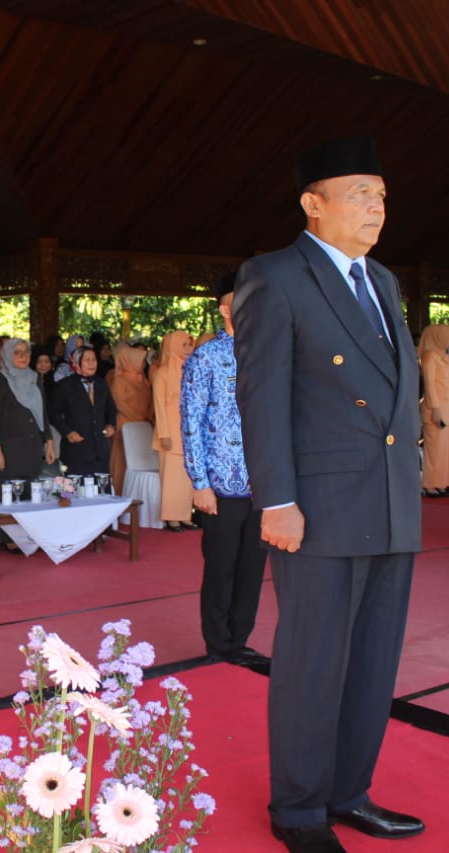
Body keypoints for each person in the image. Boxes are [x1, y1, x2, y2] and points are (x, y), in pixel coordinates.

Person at [233, 136, 424, 852]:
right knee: (313, 662)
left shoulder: (384, 281)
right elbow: (262, 397)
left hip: (388, 500)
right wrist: (276, 499)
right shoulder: (275, 276)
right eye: (360, 194)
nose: (377, 206)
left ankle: (349, 792)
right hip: (317, 508)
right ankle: (300, 809)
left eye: (382, 194)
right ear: (313, 203)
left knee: (373, 662)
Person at [180, 272, 265, 664]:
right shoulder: (205, 357)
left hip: (262, 485)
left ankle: (239, 641)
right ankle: (218, 645)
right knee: (221, 568)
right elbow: (191, 422)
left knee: (252, 570)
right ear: (226, 309)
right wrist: (200, 482)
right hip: (220, 485)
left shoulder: (267, 354)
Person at [0, 337, 55, 483]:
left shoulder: (35, 378)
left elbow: (42, 413)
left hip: (33, 449)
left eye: (26, 352)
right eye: (17, 352)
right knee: (10, 495)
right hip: (9, 452)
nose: (23, 356)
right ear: (8, 354)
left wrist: (49, 443)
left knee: (33, 494)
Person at [49, 345, 116, 476]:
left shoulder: (101, 384)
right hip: (75, 451)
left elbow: (111, 409)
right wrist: (67, 432)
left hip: (100, 452)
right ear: (77, 362)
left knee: (101, 488)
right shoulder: (65, 385)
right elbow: (52, 412)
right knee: (72, 488)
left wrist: (110, 425)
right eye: (87, 360)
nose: (91, 363)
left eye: (94, 359)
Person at [152, 329, 195, 531]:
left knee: (186, 477)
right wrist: (164, 434)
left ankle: (185, 515)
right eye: (183, 344)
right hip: (169, 431)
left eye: (189, 344)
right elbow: (159, 405)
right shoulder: (162, 372)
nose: (188, 348)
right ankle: (171, 518)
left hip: (189, 431)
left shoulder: (191, 369)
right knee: (171, 477)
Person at [107, 342, 152, 495]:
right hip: (125, 430)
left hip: (143, 431)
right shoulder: (119, 381)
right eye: (140, 361)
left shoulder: (143, 381)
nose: (144, 364)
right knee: (122, 467)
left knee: (141, 468)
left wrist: (148, 418)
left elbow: (150, 402)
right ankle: (119, 499)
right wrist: (141, 420)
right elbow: (120, 404)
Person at [418, 323, 449, 499]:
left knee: (445, 449)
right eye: (447, 337)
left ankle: (441, 482)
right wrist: (436, 408)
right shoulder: (430, 357)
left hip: (447, 408)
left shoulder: (443, 357)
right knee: (435, 449)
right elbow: (430, 385)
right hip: (436, 409)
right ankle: (430, 484)